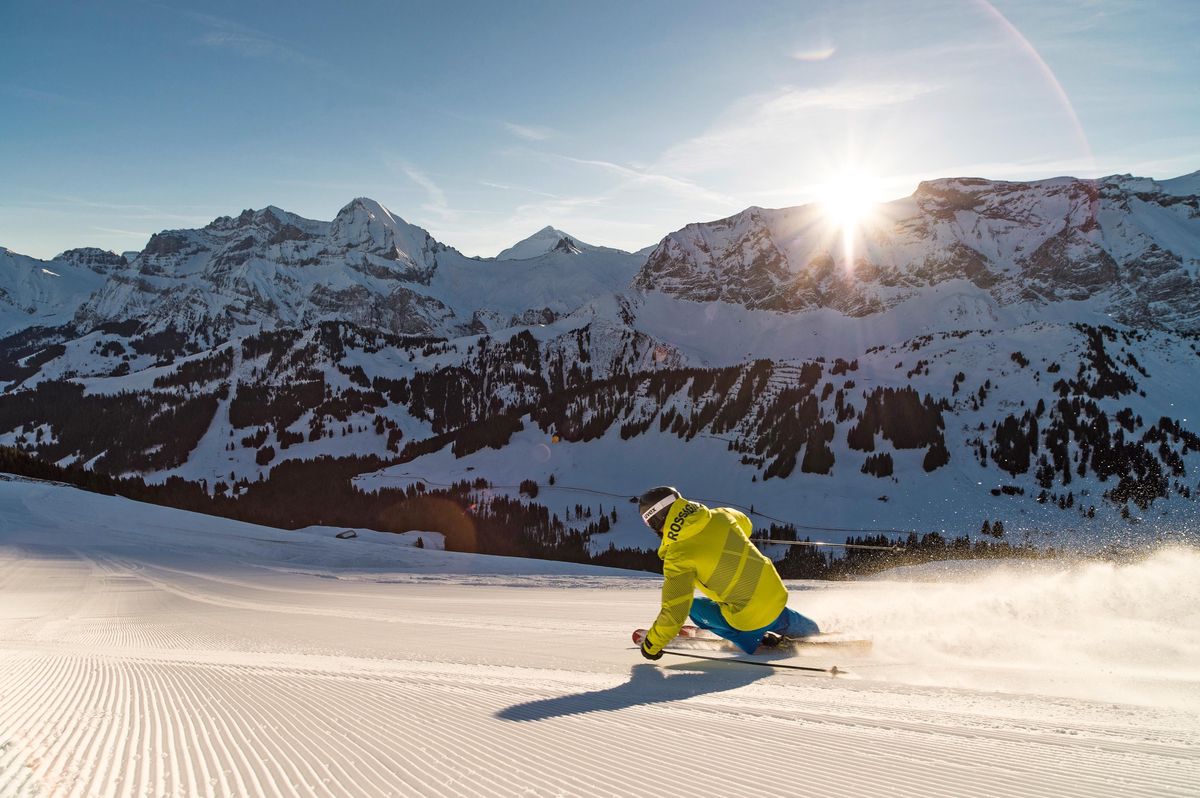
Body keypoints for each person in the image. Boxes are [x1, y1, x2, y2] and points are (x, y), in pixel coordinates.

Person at [637, 486, 819, 660]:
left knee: (692, 606)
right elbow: (746, 525)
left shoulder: (678, 556)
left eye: (647, 522)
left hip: (748, 619)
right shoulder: (722, 515)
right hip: (776, 598)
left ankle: (751, 639)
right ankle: (808, 629)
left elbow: (675, 610)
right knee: (800, 625)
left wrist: (652, 645)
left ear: (656, 518)